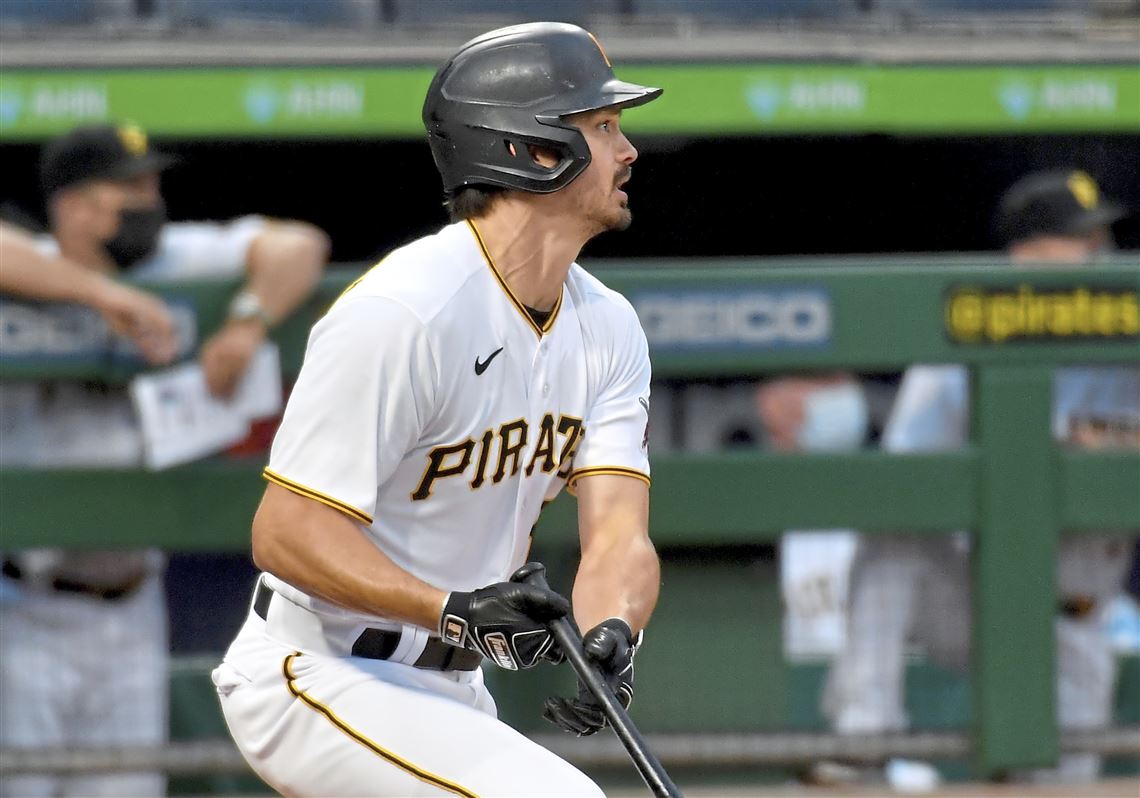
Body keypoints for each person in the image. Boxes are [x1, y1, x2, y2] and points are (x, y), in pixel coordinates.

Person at [213, 22, 662, 797]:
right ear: (533, 148)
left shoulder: (609, 325)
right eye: (602, 126)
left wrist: (611, 629)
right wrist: (451, 609)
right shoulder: (407, 309)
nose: (627, 152)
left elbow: (618, 530)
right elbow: (285, 530)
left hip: (452, 692)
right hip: (320, 667)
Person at [0, 123, 328, 798]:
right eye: (129, 187)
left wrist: (245, 322)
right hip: (25, 606)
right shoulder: (30, 259)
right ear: (74, 205)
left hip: (134, 602)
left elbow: (301, 243)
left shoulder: (176, 257)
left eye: (151, 183)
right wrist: (103, 295)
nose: (150, 200)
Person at [820, 168, 1138, 786]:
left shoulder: (1128, 331)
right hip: (973, 598)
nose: (1099, 254)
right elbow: (901, 487)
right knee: (893, 540)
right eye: (1080, 239)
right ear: (1026, 255)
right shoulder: (956, 330)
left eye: (1100, 237)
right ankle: (863, 736)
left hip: (1072, 618)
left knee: (1060, 786)